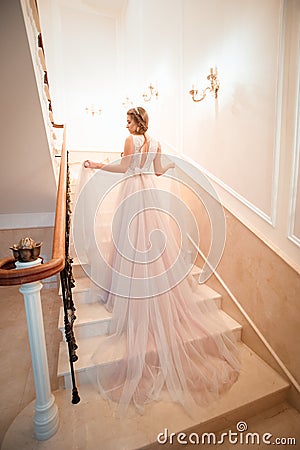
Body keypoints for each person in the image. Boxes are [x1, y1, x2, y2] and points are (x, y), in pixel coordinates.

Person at [80, 106, 240, 417]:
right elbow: (156, 171)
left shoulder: (131, 140)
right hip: (149, 193)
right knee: (149, 242)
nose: (124, 123)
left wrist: (98, 164)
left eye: (127, 119)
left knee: (128, 242)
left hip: (131, 192)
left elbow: (123, 167)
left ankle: (127, 293)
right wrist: (170, 167)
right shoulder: (155, 143)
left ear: (135, 122)